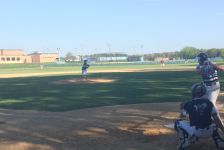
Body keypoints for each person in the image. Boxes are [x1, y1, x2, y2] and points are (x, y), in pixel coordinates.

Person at [175, 83, 224, 150]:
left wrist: (183, 107)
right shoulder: (209, 103)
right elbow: (217, 118)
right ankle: (218, 141)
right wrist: (223, 130)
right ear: (204, 92)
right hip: (209, 131)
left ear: (193, 92)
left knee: (178, 122)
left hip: (195, 132)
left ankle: (185, 141)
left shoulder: (188, 104)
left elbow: (182, 116)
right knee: (214, 121)